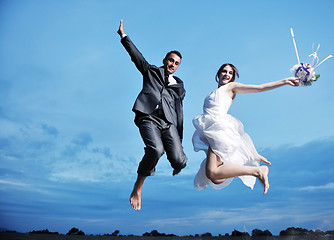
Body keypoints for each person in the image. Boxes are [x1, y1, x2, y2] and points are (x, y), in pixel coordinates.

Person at [192, 63, 299, 194]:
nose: (227, 74)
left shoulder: (231, 87)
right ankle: (255, 168)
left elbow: (259, 88)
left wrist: (285, 81)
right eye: (224, 71)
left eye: (230, 73)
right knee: (215, 177)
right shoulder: (213, 92)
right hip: (212, 131)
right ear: (218, 74)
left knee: (212, 174)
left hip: (220, 130)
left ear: (232, 77)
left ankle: (258, 170)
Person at [117, 20, 187, 210]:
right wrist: (124, 36)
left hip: (169, 123)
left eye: (176, 63)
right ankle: (137, 187)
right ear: (165, 60)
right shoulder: (151, 71)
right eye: (171, 60)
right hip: (149, 117)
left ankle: (176, 162)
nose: (173, 64)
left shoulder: (179, 86)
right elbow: (136, 56)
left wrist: (179, 137)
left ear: (178, 66)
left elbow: (179, 112)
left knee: (179, 161)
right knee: (156, 150)